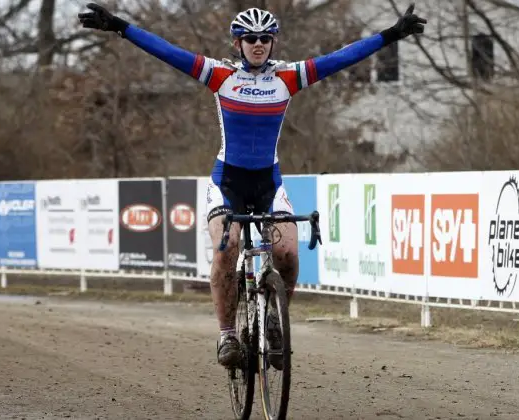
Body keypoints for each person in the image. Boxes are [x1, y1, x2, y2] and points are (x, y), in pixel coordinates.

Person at [78, 3, 426, 369]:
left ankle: (276, 319)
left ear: (273, 42)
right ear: (238, 42)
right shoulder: (220, 75)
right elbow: (167, 51)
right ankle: (227, 334)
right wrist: (119, 26)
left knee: (289, 254)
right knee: (226, 251)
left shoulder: (288, 78)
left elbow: (342, 58)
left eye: (265, 38)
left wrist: (392, 34)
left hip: (268, 183)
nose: (258, 44)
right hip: (227, 182)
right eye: (250, 38)